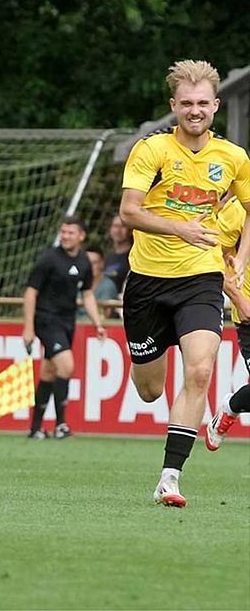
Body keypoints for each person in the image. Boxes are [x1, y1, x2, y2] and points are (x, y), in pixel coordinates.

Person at [119, 59, 250, 507]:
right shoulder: (151, 150)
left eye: (203, 103)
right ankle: (149, 362)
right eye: (187, 103)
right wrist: (183, 229)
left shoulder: (233, 158)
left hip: (201, 277)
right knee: (150, 388)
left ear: (215, 105)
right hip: (148, 282)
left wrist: (238, 263)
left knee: (199, 370)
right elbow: (129, 212)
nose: (195, 111)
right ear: (174, 106)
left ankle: (169, 478)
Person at [23, 216, 107, 440]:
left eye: (70, 232)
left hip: (66, 321)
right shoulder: (49, 259)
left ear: (81, 236)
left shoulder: (83, 261)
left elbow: (87, 294)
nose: (66, 236)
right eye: (63, 232)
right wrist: (28, 328)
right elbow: (31, 292)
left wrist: (97, 322)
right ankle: (61, 425)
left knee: (50, 371)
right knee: (66, 365)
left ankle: (35, 428)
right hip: (46, 319)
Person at [213, 194, 250, 450]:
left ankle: (233, 405)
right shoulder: (237, 211)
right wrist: (238, 299)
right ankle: (231, 406)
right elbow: (213, 260)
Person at [81, 247, 119, 319]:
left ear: (102, 263)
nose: (90, 266)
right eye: (87, 262)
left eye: (94, 263)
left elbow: (104, 316)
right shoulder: (78, 282)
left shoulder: (107, 286)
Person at [103, 213, 132, 292]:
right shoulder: (108, 256)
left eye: (123, 226)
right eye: (115, 226)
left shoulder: (133, 256)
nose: (118, 230)